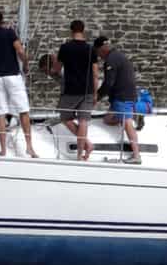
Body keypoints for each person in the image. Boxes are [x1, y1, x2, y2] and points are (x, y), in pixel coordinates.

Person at [0, 9, 38, 159]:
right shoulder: (9, 33)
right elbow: (20, 51)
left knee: (1, 112)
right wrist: (26, 64)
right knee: (23, 110)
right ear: (1, 21)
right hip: (12, 76)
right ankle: (29, 147)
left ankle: (3, 150)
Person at [94, 34, 143, 163]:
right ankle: (128, 116)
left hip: (122, 96)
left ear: (102, 48)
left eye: (98, 52)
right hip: (124, 96)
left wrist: (97, 96)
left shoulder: (111, 60)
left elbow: (108, 83)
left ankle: (137, 155)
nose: (99, 56)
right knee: (107, 119)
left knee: (127, 123)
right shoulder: (118, 56)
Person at [55, 17, 95, 160]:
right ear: (83, 30)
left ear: (71, 31)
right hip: (87, 89)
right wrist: (95, 92)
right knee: (83, 120)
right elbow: (95, 72)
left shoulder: (65, 48)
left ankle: (87, 145)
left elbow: (57, 68)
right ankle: (80, 154)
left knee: (65, 117)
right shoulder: (90, 49)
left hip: (71, 89)